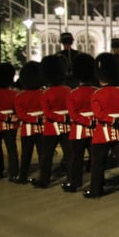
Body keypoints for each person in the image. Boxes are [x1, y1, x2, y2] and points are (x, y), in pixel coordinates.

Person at [85, 53, 119, 199]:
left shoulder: (96, 94)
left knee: (98, 163)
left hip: (102, 133)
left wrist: (111, 120)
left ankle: (95, 190)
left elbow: (98, 115)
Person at [35, 55, 71, 188]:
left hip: (51, 127)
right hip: (67, 126)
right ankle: (71, 178)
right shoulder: (68, 90)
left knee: (47, 155)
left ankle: (44, 180)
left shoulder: (46, 93)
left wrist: (58, 118)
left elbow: (47, 113)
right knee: (69, 154)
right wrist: (64, 118)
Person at [64, 54, 97, 192]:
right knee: (95, 159)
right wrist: (91, 121)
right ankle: (97, 182)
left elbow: (73, 114)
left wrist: (85, 121)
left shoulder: (73, 93)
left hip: (79, 130)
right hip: (95, 128)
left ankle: (74, 183)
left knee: (76, 159)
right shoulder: (96, 91)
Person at [13, 62, 44, 185]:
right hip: (42, 127)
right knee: (43, 154)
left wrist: (32, 119)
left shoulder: (19, 96)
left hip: (27, 128)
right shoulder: (43, 93)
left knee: (26, 154)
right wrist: (38, 119)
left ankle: (22, 176)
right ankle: (43, 175)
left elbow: (21, 115)